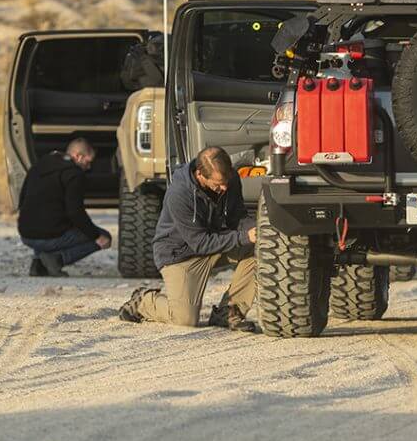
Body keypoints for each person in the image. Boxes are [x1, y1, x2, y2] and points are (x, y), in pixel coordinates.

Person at [118, 147, 257, 331]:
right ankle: (144, 301)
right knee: (184, 319)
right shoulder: (180, 193)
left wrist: (256, 229)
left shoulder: (229, 179)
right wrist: (243, 236)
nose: (224, 188)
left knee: (260, 249)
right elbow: (200, 243)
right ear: (200, 174)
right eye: (218, 184)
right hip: (180, 255)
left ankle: (229, 312)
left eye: (226, 182)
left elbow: (236, 217)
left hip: (212, 244)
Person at [18, 138, 112, 277]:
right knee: (105, 237)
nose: (89, 167)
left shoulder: (40, 165)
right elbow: (75, 213)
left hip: (26, 234)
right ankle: (58, 259)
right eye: (88, 161)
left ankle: (38, 263)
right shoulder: (74, 174)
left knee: (44, 220)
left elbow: (22, 199)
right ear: (78, 156)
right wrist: (96, 236)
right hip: (49, 236)